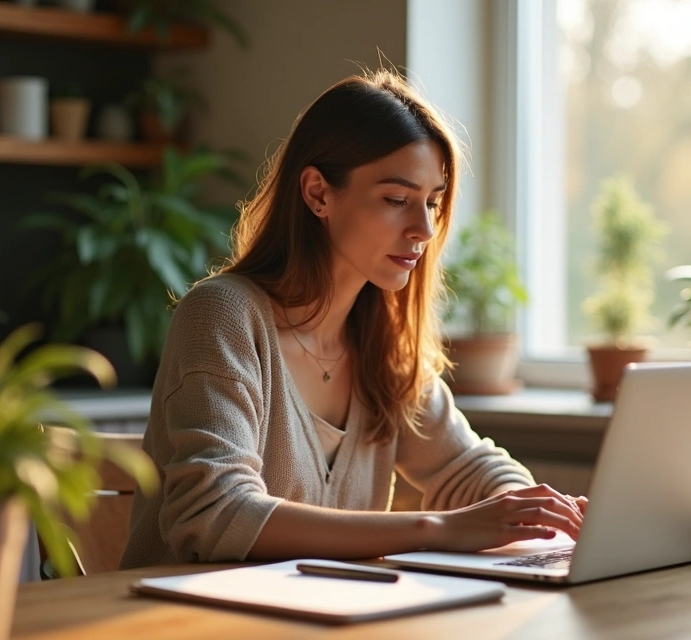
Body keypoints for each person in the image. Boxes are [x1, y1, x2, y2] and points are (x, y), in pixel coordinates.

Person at [120, 70, 587, 569]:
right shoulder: (222, 316)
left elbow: (466, 467)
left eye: (432, 202)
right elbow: (216, 515)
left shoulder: (382, 342)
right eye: (396, 200)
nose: (424, 228)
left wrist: (534, 512)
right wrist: (437, 528)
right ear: (318, 193)